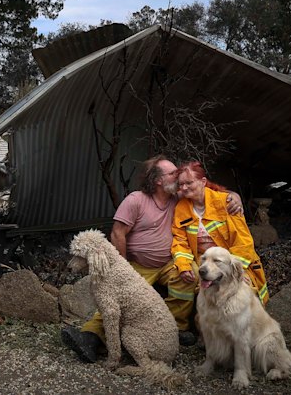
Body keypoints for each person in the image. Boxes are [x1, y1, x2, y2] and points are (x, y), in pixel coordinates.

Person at [61, 155, 242, 363]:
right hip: (137, 265)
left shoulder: (179, 198)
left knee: (187, 277)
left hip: (168, 263)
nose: (178, 176)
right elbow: (117, 233)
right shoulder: (136, 200)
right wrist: (123, 266)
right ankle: (89, 338)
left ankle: (176, 329)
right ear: (158, 180)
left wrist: (233, 195)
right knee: (115, 299)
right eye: (173, 173)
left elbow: (206, 190)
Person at [171, 161, 269, 306]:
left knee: (242, 288)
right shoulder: (181, 208)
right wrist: (184, 265)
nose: (184, 188)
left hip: (231, 259)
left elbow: (243, 242)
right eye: (181, 184)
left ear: (203, 181)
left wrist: (234, 269)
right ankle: (180, 325)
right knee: (181, 280)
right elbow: (180, 241)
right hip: (201, 259)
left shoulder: (225, 202)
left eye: (189, 183)